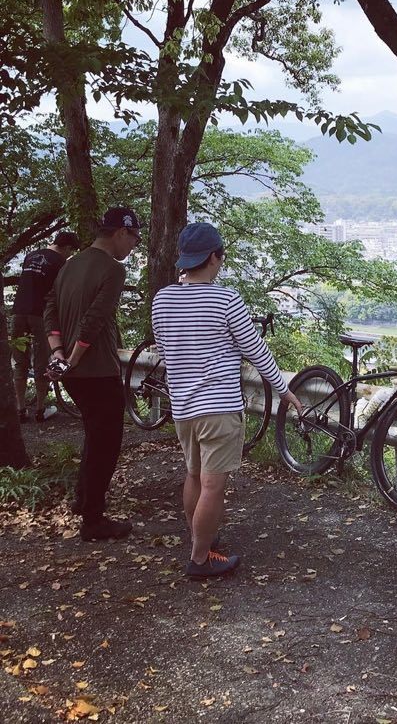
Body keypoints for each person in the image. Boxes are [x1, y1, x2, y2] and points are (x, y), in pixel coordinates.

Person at [151, 221, 303, 579]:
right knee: (213, 486)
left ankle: (200, 538)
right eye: (221, 255)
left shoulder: (162, 299)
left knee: (193, 476)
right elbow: (256, 350)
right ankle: (201, 558)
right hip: (218, 407)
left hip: (184, 407)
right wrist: (284, 389)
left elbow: (165, 348)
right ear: (214, 257)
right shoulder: (225, 299)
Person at [45, 207, 141, 541]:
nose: (134, 246)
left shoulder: (70, 265)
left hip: (71, 371)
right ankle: (93, 520)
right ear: (120, 233)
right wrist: (73, 357)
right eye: (134, 238)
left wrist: (59, 355)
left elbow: (50, 310)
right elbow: (95, 320)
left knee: (93, 433)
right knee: (107, 442)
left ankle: (83, 499)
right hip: (97, 369)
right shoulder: (113, 271)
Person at [11, 231, 80, 422]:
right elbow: (59, 293)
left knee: (20, 362)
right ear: (66, 248)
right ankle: (40, 410)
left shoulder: (31, 255)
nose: (69, 255)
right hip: (39, 315)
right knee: (41, 363)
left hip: (18, 312)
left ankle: (20, 409)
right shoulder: (60, 263)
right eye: (70, 251)